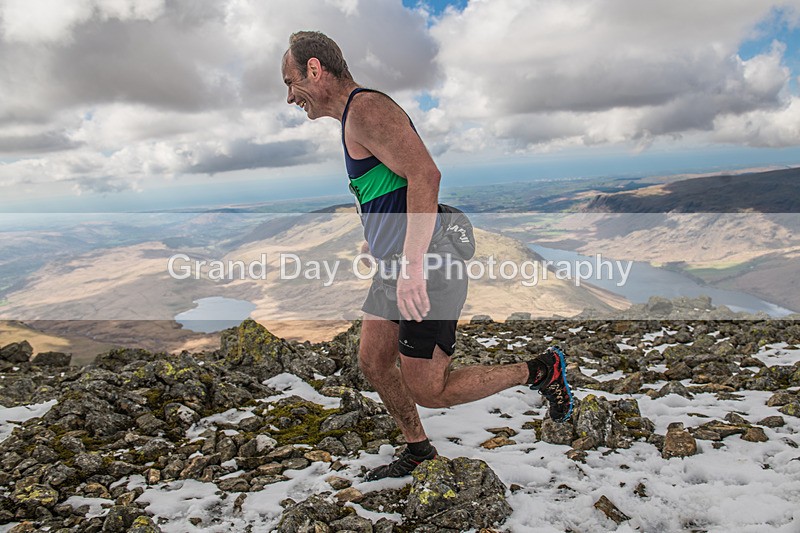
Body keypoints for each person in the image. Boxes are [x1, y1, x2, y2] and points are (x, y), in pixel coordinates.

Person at [281, 31, 573, 481]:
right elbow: (391, 186)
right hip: (398, 261)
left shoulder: (366, 109)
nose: (289, 97)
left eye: (290, 82)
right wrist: (375, 239)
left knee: (429, 389)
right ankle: (418, 449)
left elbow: (426, 175)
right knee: (374, 360)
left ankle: (541, 371)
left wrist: (414, 265)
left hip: (427, 259)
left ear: (314, 69)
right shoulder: (352, 119)